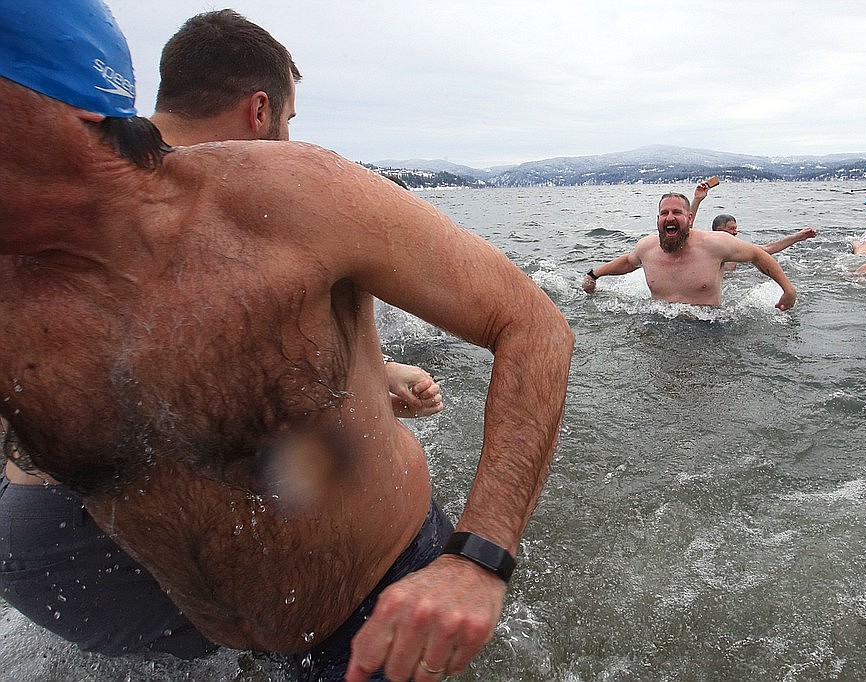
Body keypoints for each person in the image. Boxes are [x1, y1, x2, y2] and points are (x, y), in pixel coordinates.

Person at [0, 4, 573, 682]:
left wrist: (478, 559)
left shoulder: (291, 200)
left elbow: (534, 325)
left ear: (61, 103)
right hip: (218, 645)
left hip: (380, 614)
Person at [581, 192, 797, 309]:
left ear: (689, 218)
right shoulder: (647, 247)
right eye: (664, 213)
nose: (670, 217)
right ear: (658, 219)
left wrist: (788, 290)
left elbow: (759, 254)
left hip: (707, 327)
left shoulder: (716, 244)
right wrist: (594, 274)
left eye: (677, 212)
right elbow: (628, 262)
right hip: (658, 322)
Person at [690, 179, 817, 261]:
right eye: (732, 229)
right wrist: (697, 199)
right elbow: (687, 229)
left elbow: (768, 249)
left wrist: (798, 237)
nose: (736, 233)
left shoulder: (735, 249)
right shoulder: (706, 248)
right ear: (719, 230)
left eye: (736, 229)